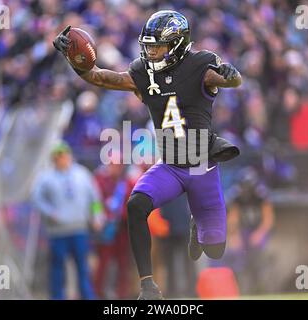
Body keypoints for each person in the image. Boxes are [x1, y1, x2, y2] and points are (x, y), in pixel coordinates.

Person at [53, 10, 242, 299]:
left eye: (158, 46)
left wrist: (229, 75)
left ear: (178, 44)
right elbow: (101, 77)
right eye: (148, 46)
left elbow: (228, 80)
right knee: (136, 204)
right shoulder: (143, 72)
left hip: (202, 166)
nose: (151, 52)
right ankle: (148, 285)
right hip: (171, 166)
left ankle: (198, 223)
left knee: (214, 248)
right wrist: (77, 61)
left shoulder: (201, 64)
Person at [31, 142, 104, 300]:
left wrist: (97, 216)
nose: (62, 160)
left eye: (64, 156)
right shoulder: (46, 178)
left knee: (83, 267)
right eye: (58, 157)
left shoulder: (82, 174)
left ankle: (87, 296)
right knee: (57, 268)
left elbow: (95, 198)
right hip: (58, 231)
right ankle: (57, 296)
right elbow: (37, 199)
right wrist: (50, 213)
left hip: (79, 229)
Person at [222, 167, 275, 295]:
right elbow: (233, 219)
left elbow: (268, 219)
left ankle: (260, 289)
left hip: (258, 229)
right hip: (243, 230)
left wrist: (259, 233)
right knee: (236, 257)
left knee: (258, 259)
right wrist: (234, 236)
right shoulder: (236, 196)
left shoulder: (261, 195)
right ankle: (239, 290)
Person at [93, 158, 134, 299]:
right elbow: (94, 201)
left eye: (118, 165)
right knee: (103, 263)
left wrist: (122, 213)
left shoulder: (127, 182)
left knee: (123, 264)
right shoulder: (100, 181)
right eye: (113, 164)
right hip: (106, 229)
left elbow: (132, 204)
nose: (115, 167)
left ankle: (122, 294)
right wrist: (98, 216)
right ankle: (97, 293)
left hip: (122, 229)